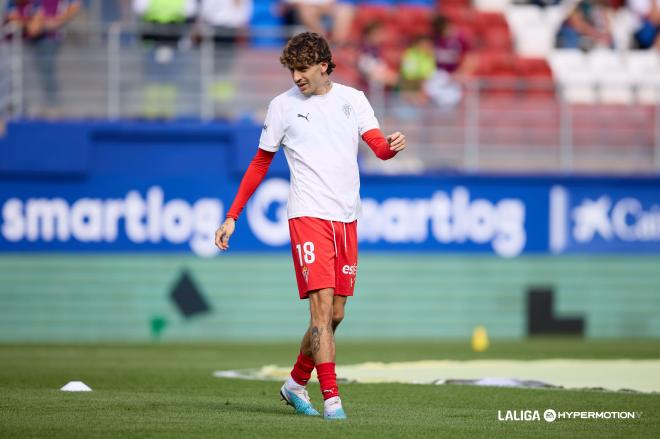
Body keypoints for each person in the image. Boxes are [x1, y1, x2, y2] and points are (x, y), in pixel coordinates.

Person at [214, 32, 406, 420]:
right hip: (308, 215)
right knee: (321, 312)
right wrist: (233, 215)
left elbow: (377, 148)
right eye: (292, 70)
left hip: (346, 218)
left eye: (302, 69)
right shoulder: (282, 107)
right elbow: (259, 164)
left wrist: (390, 146)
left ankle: (295, 384)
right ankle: (333, 401)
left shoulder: (353, 99)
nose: (296, 77)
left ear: (323, 64)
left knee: (336, 315)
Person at [5, 0, 81, 115]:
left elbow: (35, 25)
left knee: (46, 69)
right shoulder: (14, 4)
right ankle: (18, 105)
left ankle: (52, 106)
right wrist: (28, 23)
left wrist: (51, 22)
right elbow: (18, 19)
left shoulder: (37, 5)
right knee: (14, 72)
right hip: (17, 41)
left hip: (47, 37)